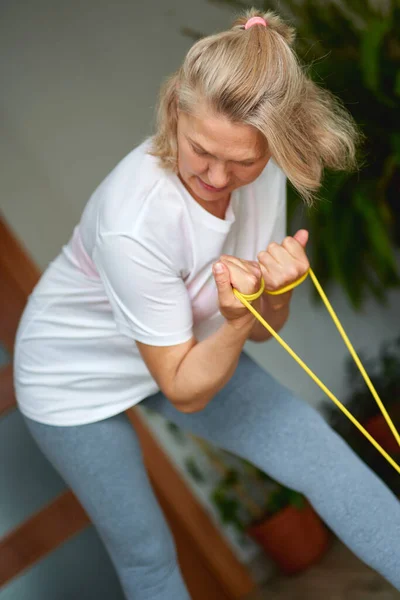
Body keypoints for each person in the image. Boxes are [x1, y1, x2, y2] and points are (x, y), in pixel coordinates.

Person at [14, 9, 399, 599]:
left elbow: (266, 334)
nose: (218, 177)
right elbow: (185, 386)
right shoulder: (135, 221)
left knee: (327, 460)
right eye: (201, 151)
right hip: (72, 379)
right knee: (148, 558)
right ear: (175, 111)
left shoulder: (265, 172)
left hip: (187, 347)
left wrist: (276, 290)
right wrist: (238, 319)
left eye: (242, 160)